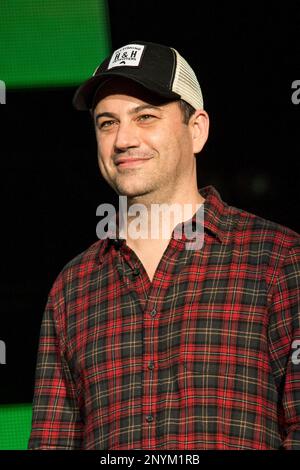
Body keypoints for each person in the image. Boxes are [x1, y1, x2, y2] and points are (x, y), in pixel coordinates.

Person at [28, 40, 300, 450]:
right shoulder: (73, 288)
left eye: (145, 117)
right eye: (107, 122)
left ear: (197, 131)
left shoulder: (278, 259)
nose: (123, 139)